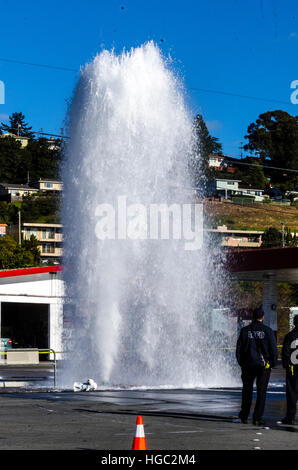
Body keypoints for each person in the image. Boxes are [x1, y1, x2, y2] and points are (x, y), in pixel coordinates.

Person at [236, 306, 278, 425]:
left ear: (253, 317)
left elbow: (239, 350)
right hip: (263, 366)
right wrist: (272, 364)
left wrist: (241, 363)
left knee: (247, 391)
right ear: (263, 317)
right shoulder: (267, 331)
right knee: (261, 392)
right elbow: (273, 350)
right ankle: (257, 417)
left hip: (248, 365)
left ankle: (244, 415)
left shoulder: (245, 331)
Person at [280, 314, 298, 425]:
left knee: (292, 392)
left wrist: (286, 366)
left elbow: (285, 353)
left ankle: (290, 416)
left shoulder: (290, 336)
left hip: (293, 367)